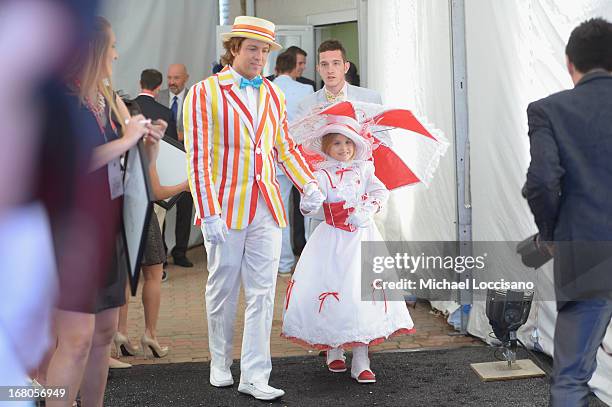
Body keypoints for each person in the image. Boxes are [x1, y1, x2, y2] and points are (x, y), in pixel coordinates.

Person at [183, 16, 324, 401]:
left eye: (265, 50)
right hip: (224, 208)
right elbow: (198, 159)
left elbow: (284, 149)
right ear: (234, 49)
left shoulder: (274, 94)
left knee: (263, 293)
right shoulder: (204, 92)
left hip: (267, 207)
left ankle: (255, 375)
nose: (260, 56)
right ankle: (219, 361)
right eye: (253, 48)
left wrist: (307, 184)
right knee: (222, 288)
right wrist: (208, 210)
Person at [44, 16, 163, 407]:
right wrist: (125, 139)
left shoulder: (107, 98)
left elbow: (128, 165)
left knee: (103, 334)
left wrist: (147, 144)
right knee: (75, 339)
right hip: (71, 233)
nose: (116, 53)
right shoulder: (60, 100)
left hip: (110, 227)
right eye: (111, 46)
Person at [281, 118, 414, 383]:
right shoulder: (320, 174)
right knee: (333, 292)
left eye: (348, 142)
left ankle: (362, 359)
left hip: (362, 240)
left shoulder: (364, 170)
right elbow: (308, 208)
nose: (343, 148)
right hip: (331, 243)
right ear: (327, 147)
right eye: (337, 143)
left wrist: (368, 208)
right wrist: (311, 200)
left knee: (360, 294)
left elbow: (380, 192)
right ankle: (334, 347)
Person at [523, 17, 612, 407]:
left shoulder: (549, 110)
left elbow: (542, 181)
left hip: (585, 253)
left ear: (569, 63)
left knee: (571, 380)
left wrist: (550, 233)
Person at [296, 39, 383, 240]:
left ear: (346, 66)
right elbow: (298, 147)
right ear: (318, 68)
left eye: (336, 63)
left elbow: (383, 139)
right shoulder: (306, 105)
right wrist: (311, 125)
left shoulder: (370, 98)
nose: (330, 70)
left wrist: (361, 135)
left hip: (359, 188)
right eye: (324, 64)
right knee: (322, 254)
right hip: (324, 191)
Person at [273, 51, 314, 274]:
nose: (302, 68)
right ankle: (310, 261)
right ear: (291, 66)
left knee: (281, 213)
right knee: (309, 210)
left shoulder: (267, 89)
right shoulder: (306, 90)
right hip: (301, 156)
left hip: (277, 156)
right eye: (300, 64)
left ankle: (284, 264)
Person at [157, 63, 194, 268]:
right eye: (169, 77)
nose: (171, 82)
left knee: (185, 210)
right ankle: (160, 253)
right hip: (163, 163)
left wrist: (183, 136)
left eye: (176, 78)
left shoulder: (194, 97)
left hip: (187, 163)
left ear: (186, 78)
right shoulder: (159, 97)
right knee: (160, 211)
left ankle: (181, 252)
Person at [134, 69, 178, 140]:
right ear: (158, 87)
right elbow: (174, 144)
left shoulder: (125, 106)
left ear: (140, 83)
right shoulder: (167, 113)